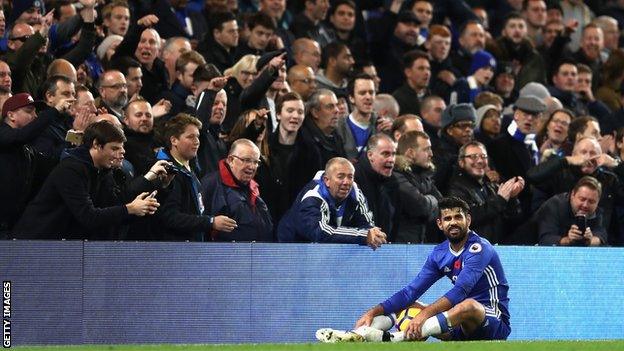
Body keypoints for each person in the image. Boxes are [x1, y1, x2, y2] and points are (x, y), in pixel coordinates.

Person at [317, 197, 510, 343]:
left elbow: (461, 291)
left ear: (468, 220)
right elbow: (410, 291)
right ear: (440, 224)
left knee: (468, 305)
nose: (453, 222)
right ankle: (354, 336)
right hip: (457, 327)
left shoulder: (480, 248)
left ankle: (395, 339)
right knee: (410, 304)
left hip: (492, 322)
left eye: (458, 217)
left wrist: (424, 316)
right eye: (447, 218)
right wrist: (373, 311)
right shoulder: (439, 253)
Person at [14, 121, 160, 240]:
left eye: (121, 149)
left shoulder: (104, 172)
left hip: (63, 245)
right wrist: (130, 209)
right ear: (96, 144)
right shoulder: (70, 170)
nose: (120, 154)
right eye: (114, 148)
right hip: (35, 243)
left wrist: (139, 209)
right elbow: (89, 216)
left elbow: (111, 210)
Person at [277, 157, 386, 249]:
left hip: (324, 251)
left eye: (350, 177)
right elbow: (320, 232)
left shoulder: (355, 192)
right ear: (327, 180)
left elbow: (367, 225)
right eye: (340, 176)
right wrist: (363, 236)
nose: (347, 182)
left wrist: (374, 235)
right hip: (292, 246)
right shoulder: (312, 197)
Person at [448, 141, 524, 244]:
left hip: (495, 249)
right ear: (462, 162)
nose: (480, 161)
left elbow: (513, 221)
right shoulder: (456, 188)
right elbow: (467, 218)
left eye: (483, 156)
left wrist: (511, 198)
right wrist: (500, 200)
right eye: (473, 156)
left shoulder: (491, 186)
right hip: (470, 251)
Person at [201, 139, 274, 242]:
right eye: (247, 160)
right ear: (231, 160)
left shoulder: (253, 187)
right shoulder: (211, 184)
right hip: (225, 255)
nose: (252, 167)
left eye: (256, 162)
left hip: (255, 253)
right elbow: (201, 224)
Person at [393, 131, 442, 244]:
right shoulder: (397, 174)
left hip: (419, 243)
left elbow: (442, 207)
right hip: (400, 246)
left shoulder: (424, 176)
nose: (431, 154)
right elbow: (421, 206)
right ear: (410, 153)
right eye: (426, 149)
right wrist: (432, 200)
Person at [536, 176, 606, 246]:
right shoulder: (554, 205)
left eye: (591, 201)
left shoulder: (597, 210)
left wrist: (590, 240)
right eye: (582, 199)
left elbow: (601, 236)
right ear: (572, 195)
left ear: (598, 202)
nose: (585, 205)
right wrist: (568, 240)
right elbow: (545, 239)